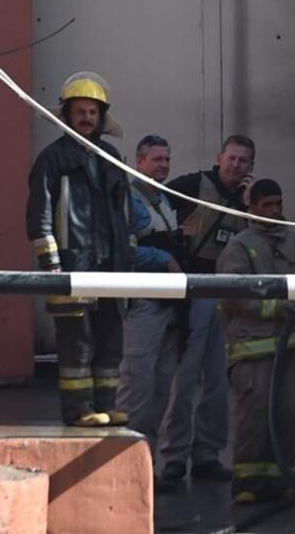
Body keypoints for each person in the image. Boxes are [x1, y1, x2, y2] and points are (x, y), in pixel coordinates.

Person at [26, 71, 133, 427]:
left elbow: (124, 216)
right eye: (80, 112)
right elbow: (39, 215)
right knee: (77, 345)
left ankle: (106, 406)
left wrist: (127, 261)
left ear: (101, 117)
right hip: (73, 265)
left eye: (92, 112)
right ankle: (79, 410)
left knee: (110, 342)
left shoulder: (112, 157)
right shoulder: (52, 159)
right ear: (67, 115)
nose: (86, 118)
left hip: (111, 266)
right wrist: (52, 266)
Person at [157, 135, 255, 482]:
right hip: (193, 291)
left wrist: (248, 205)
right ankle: (174, 456)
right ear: (220, 157)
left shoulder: (248, 202)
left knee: (217, 380)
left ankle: (207, 454)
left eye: (243, 161)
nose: (236, 165)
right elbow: (156, 209)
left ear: (251, 167)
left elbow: (261, 236)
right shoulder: (193, 185)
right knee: (183, 379)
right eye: (232, 158)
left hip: (227, 295)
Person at [216, 179, 295, 504]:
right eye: (267, 205)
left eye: (278, 204)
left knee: (289, 414)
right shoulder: (239, 247)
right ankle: (246, 482)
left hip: (293, 348)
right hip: (253, 349)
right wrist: (279, 308)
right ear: (253, 207)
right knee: (254, 416)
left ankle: (281, 478)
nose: (275, 210)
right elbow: (233, 295)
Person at [116, 135, 182, 449]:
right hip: (142, 304)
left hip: (168, 304)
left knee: (161, 389)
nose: (163, 165)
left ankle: (148, 462)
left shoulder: (164, 200)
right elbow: (124, 251)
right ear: (139, 161)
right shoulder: (129, 199)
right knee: (137, 384)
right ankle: (122, 460)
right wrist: (163, 258)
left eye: (167, 159)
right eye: (157, 159)